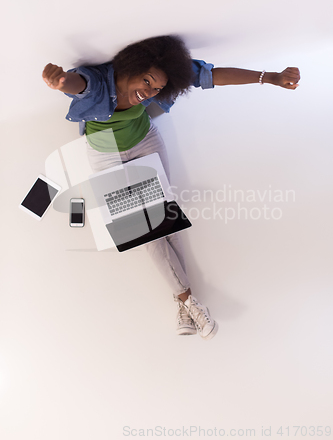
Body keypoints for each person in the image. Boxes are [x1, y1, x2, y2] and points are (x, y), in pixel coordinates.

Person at [42, 35, 300, 340]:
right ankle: (187, 301)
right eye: (147, 81)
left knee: (164, 219)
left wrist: (269, 77)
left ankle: (184, 304)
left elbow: (210, 75)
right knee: (141, 229)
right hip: (105, 155)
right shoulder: (100, 81)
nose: (149, 92)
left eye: (157, 89)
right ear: (131, 66)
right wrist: (61, 82)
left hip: (145, 142)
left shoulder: (156, 85)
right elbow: (79, 84)